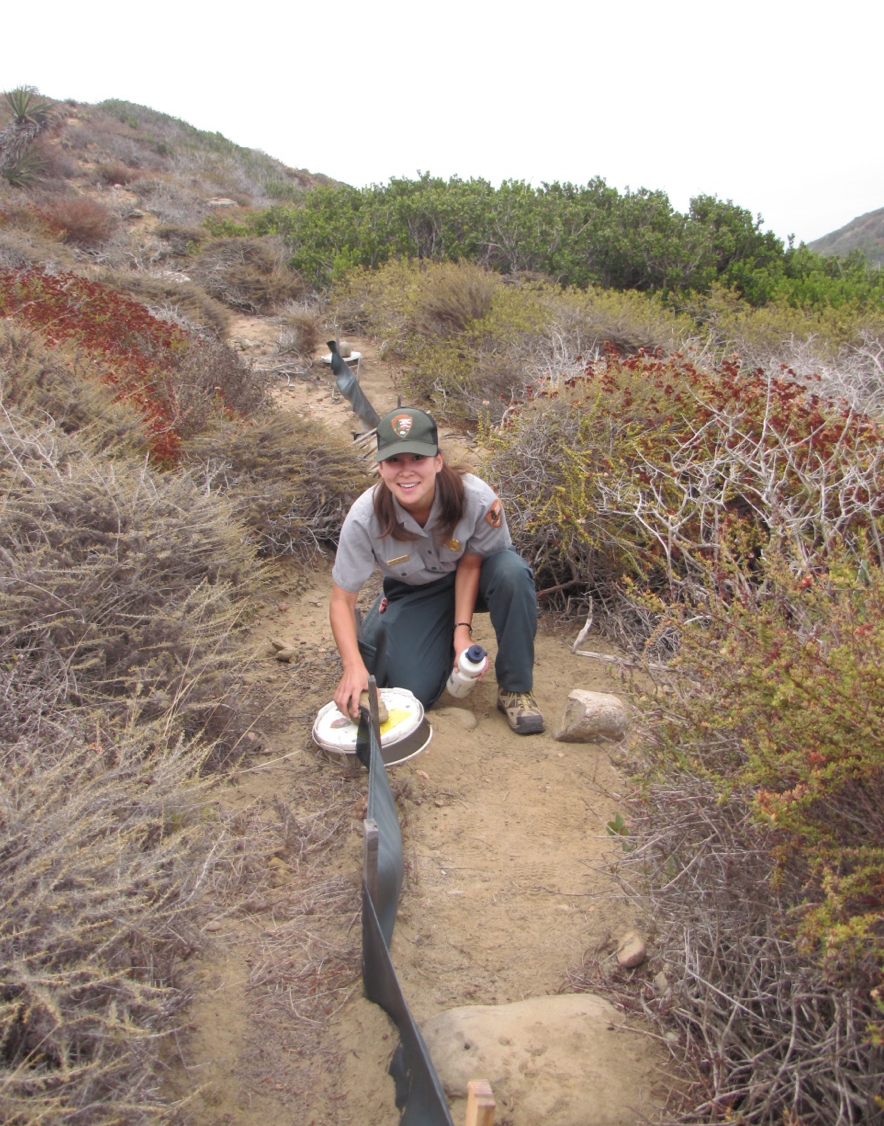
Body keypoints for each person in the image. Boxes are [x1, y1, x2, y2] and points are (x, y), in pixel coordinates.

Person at [329, 406, 544, 735]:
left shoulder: (475, 498)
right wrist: (352, 665)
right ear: (380, 466)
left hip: (474, 577)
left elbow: (471, 563)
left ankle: (516, 689)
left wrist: (462, 632)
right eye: (394, 461)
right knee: (413, 693)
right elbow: (342, 601)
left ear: (438, 461)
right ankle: (400, 625)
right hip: (415, 590)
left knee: (512, 573)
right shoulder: (363, 518)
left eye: (418, 458)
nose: (406, 471)